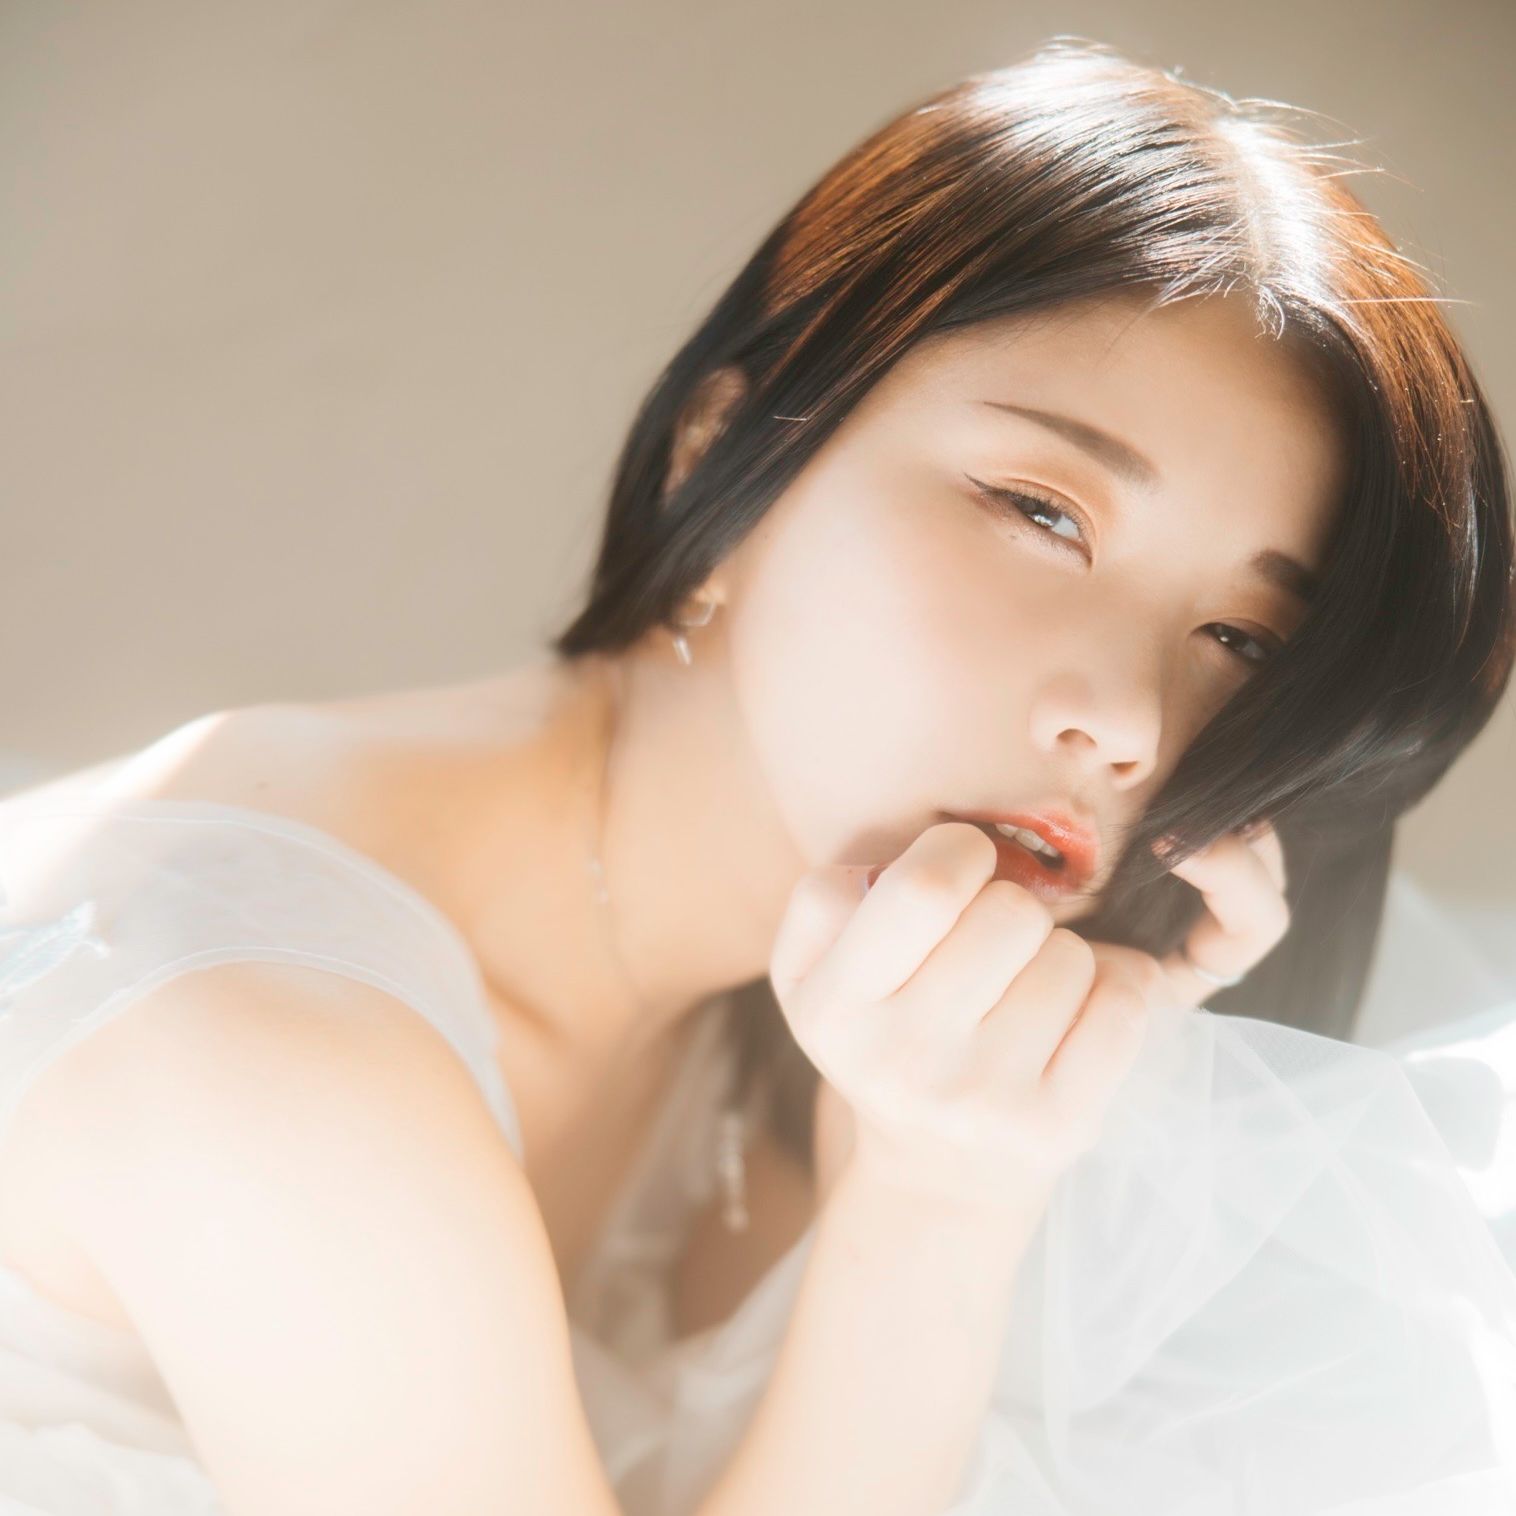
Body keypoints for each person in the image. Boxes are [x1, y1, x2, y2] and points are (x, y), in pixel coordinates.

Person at [1, 34, 1514, 1516]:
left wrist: (987, 1129)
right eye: (1040, 512)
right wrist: (940, 1196)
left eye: (1242, 638)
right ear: (720, 462)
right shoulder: (263, 1046)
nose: (1128, 719)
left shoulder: (818, 995)